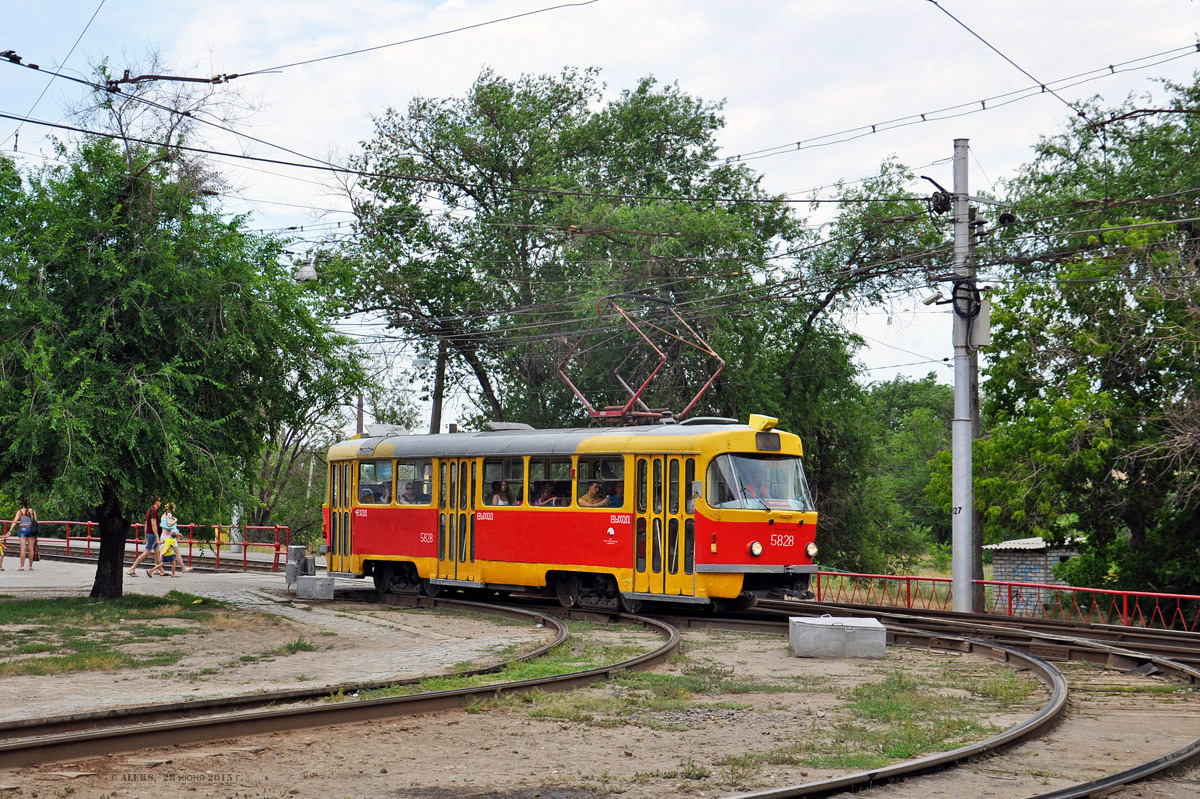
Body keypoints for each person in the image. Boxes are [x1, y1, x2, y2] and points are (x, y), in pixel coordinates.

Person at [128, 497, 163, 577]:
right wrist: (157, 537)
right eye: (160, 501)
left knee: (157, 552)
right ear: (156, 502)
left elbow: (146, 524)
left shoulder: (150, 510)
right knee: (147, 552)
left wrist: (145, 536)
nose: (161, 503)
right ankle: (132, 568)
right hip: (152, 535)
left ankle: (161, 571)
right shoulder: (153, 511)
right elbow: (153, 525)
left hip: (149, 534)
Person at [11, 499, 37, 571]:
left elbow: (15, 521)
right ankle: (30, 566)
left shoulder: (20, 511)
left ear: (22, 504)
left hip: (23, 530)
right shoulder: (33, 511)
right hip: (31, 530)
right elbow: (35, 522)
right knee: (31, 549)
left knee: (23, 549)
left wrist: (10, 530)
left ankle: (22, 566)